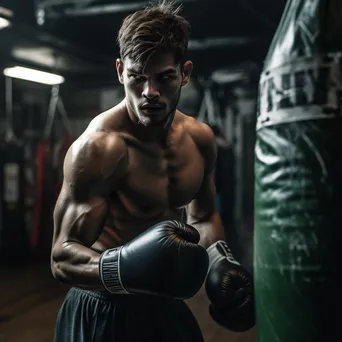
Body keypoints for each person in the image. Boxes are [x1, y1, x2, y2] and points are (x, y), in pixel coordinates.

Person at [51, 2, 255, 341]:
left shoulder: (200, 140)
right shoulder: (99, 149)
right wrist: (127, 267)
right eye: (137, 78)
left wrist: (219, 262)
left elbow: (202, 216)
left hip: (165, 305)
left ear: (185, 73)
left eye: (164, 78)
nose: (150, 93)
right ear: (120, 72)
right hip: (103, 308)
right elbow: (61, 258)